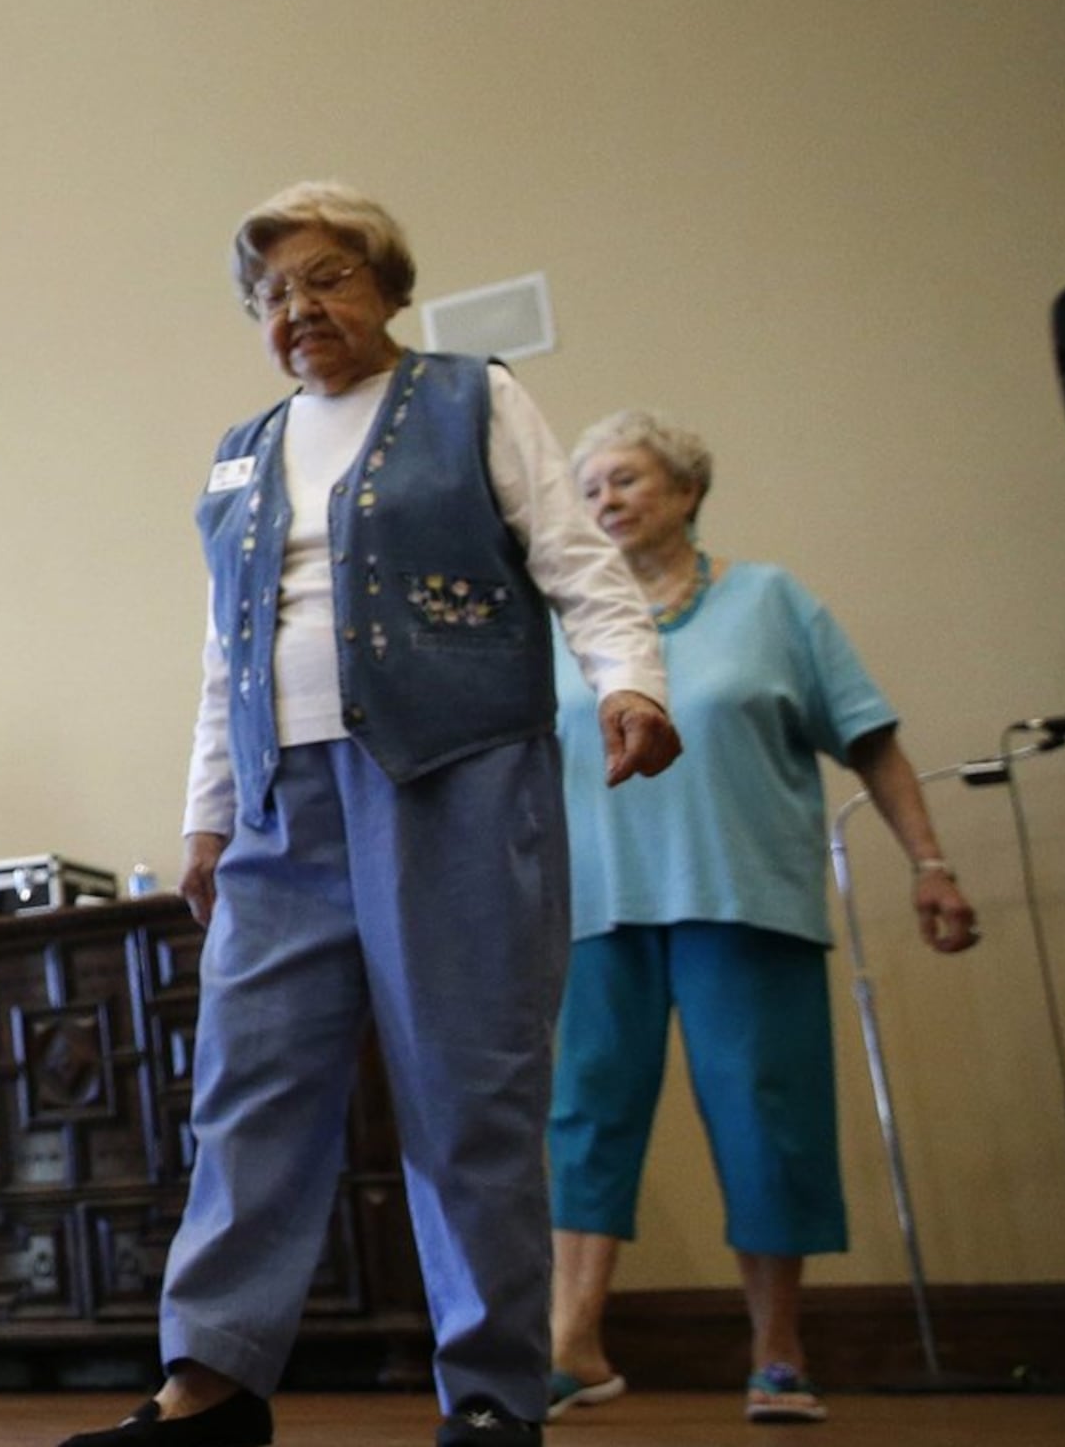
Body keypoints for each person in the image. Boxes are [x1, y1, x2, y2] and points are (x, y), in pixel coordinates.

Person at [63, 185, 680, 1447]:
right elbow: (224, 656)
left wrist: (630, 682)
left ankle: (497, 1396)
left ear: (389, 286)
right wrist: (207, 818)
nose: (302, 309)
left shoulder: (473, 399)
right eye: (275, 293)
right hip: (281, 810)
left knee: (469, 1094)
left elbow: (576, 558)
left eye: (328, 277)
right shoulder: (242, 450)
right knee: (248, 1092)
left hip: (452, 781)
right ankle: (214, 1386)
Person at [544, 410, 979, 1426]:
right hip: (601, 907)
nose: (603, 500)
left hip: (746, 898)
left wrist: (931, 863)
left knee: (763, 1121)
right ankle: (572, 1344)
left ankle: (778, 1351)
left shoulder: (771, 601)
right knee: (584, 1121)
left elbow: (870, 740)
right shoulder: (566, 625)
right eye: (590, 487)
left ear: (688, 493)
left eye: (625, 480)